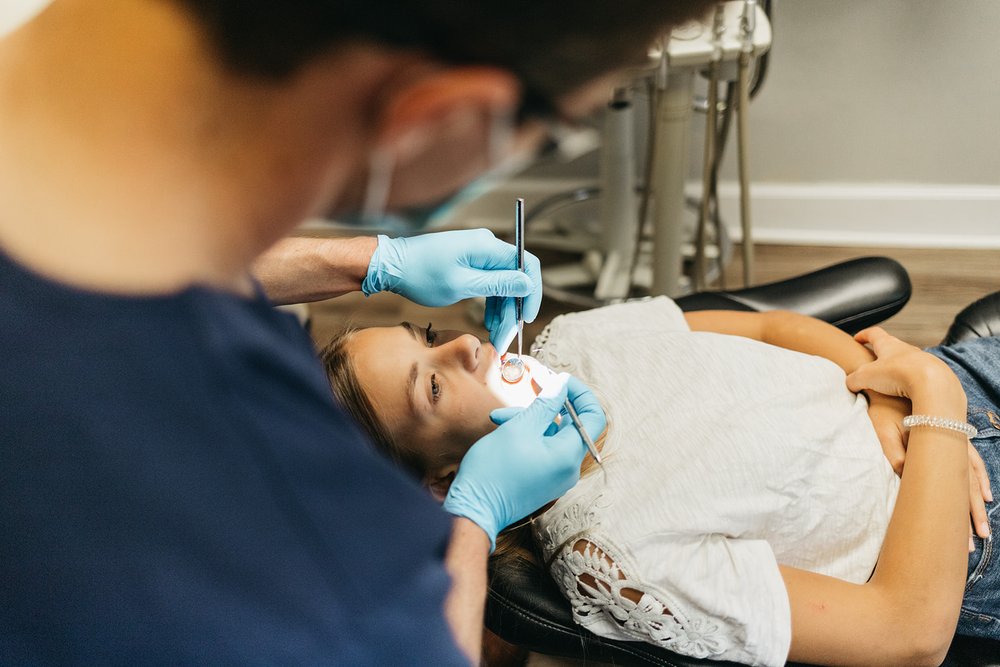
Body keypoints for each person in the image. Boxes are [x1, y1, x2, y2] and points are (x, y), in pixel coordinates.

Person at [0, 0, 716, 663]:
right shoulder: (338, 576)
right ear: (441, 116)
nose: (466, 346)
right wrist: (475, 521)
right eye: (553, 137)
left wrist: (366, 261)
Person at [321, 297, 1000, 666]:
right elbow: (907, 631)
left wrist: (893, 400)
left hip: (946, 380)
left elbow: (769, 325)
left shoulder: (573, 339)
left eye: (428, 334)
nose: (466, 344)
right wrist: (934, 403)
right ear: (445, 482)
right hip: (972, 521)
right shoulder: (613, 553)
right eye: (433, 385)